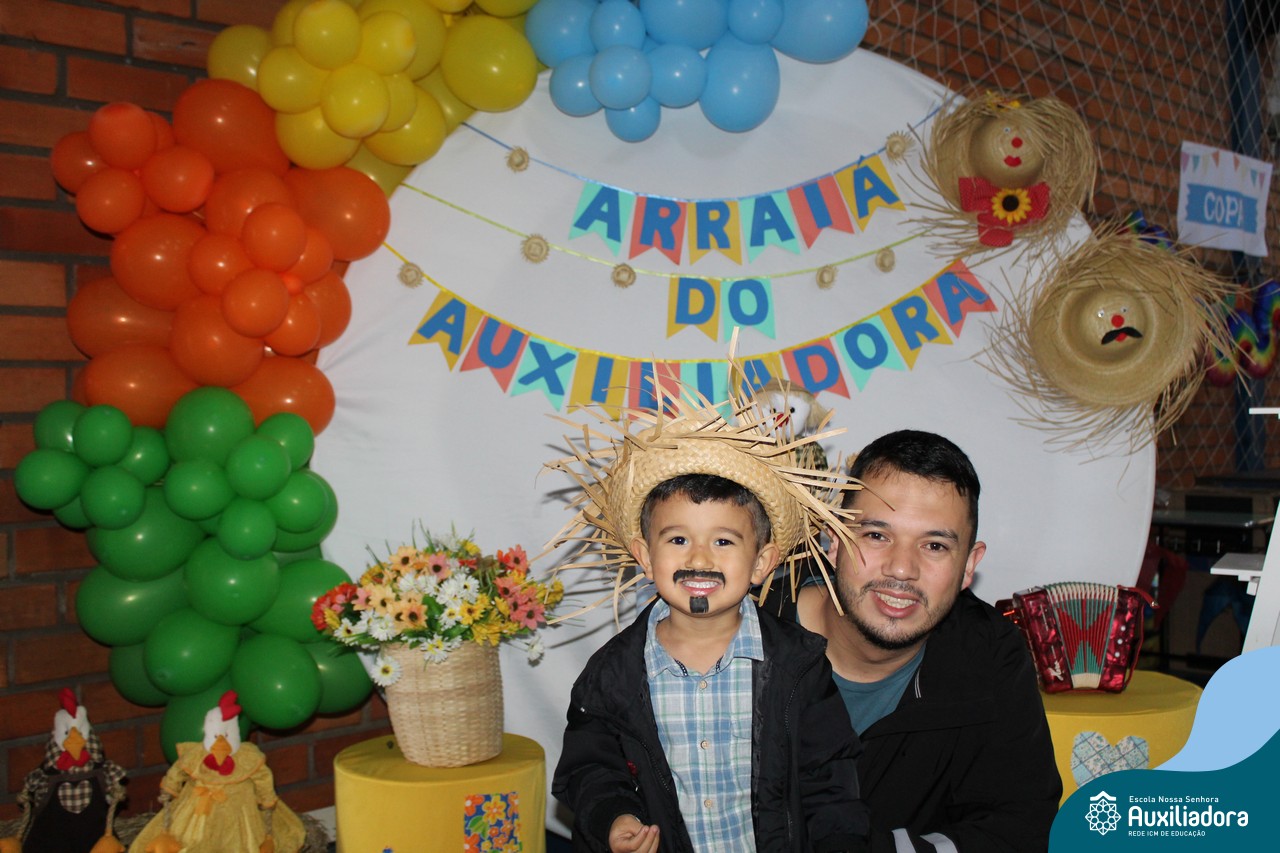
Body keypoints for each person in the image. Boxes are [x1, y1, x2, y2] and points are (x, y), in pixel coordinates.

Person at [546, 373, 871, 853]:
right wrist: (614, 817)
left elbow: (831, 784)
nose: (699, 558)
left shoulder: (799, 665)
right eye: (678, 539)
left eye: (723, 541)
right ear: (645, 556)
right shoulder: (611, 675)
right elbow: (591, 768)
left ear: (761, 562)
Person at [769, 429, 1061, 852]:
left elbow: (1019, 827)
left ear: (969, 566)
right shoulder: (744, 634)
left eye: (935, 545)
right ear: (833, 541)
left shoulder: (986, 653)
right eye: (876, 535)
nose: (902, 568)